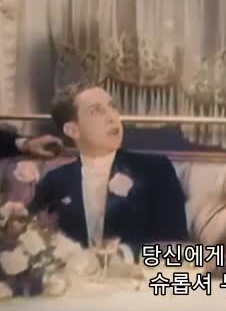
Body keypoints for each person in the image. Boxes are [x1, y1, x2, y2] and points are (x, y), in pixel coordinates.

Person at [27, 82, 189, 256]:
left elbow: (176, 248)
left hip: (136, 272)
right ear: (73, 130)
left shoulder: (155, 170)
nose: (112, 117)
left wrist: (124, 254)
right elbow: (32, 241)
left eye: (112, 107)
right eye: (96, 111)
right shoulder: (55, 181)